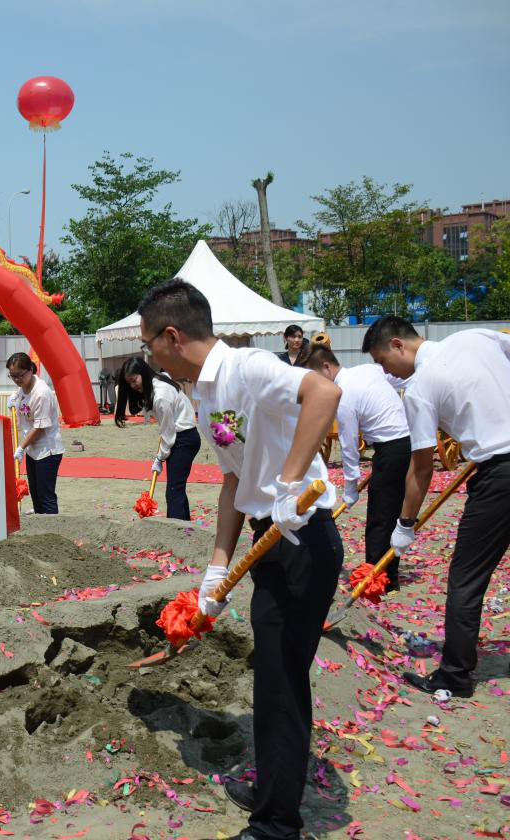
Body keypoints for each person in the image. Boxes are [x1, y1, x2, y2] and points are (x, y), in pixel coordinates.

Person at [138, 280, 342, 840]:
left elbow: (323, 396)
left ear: (172, 336)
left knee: (281, 679)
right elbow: (233, 478)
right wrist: (217, 569)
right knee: (274, 675)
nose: (147, 354)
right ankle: (276, 786)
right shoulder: (203, 394)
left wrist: (290, 483)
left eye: (148, 342)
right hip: (268, 537)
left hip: (301, 537)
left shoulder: (247, 368)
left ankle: (277, 824)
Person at [363, 316, 510, 697]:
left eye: (381, 362)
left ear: (397, 345)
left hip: (502, 477)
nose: (385, 372)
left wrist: (404, 524)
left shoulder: (422, 387)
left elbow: (421, 467)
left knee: (466, 577)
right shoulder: (474, 338)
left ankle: (455, 675)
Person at [302, 345, 411, 591]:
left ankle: (378, 578)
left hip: (392, 447)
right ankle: (386, 573)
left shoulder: (343, 394)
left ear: (327, 368)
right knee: (388, 512)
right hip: (401, 444)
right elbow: (394, 379)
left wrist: (350, 488)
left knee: (380, 516)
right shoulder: (367, 370)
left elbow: (349, 446)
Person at [115, 357, 201, 520]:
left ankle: (176, 529)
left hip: (184, 439)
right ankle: (185, 525)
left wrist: (159, 458)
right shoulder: (160, 378)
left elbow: (168, 435)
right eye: (130, 384)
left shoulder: (160, 396)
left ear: (142, 373)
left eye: (134, 380)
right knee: (177, 487)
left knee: (173, 491)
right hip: (182, 436)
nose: (134, 386)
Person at [7, 352, 65, 514]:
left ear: (30, 370)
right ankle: (41, 526)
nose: (17, 380)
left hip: (47, 450)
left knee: (46, 494)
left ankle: (53, 529)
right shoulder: (22, 388)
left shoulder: (42, 393)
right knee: (35, 492)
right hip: (32, 449)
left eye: (20, 375)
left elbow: (40, 427)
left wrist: (21, 447)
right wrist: (13, 398)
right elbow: (21, 398)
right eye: (12, 376)